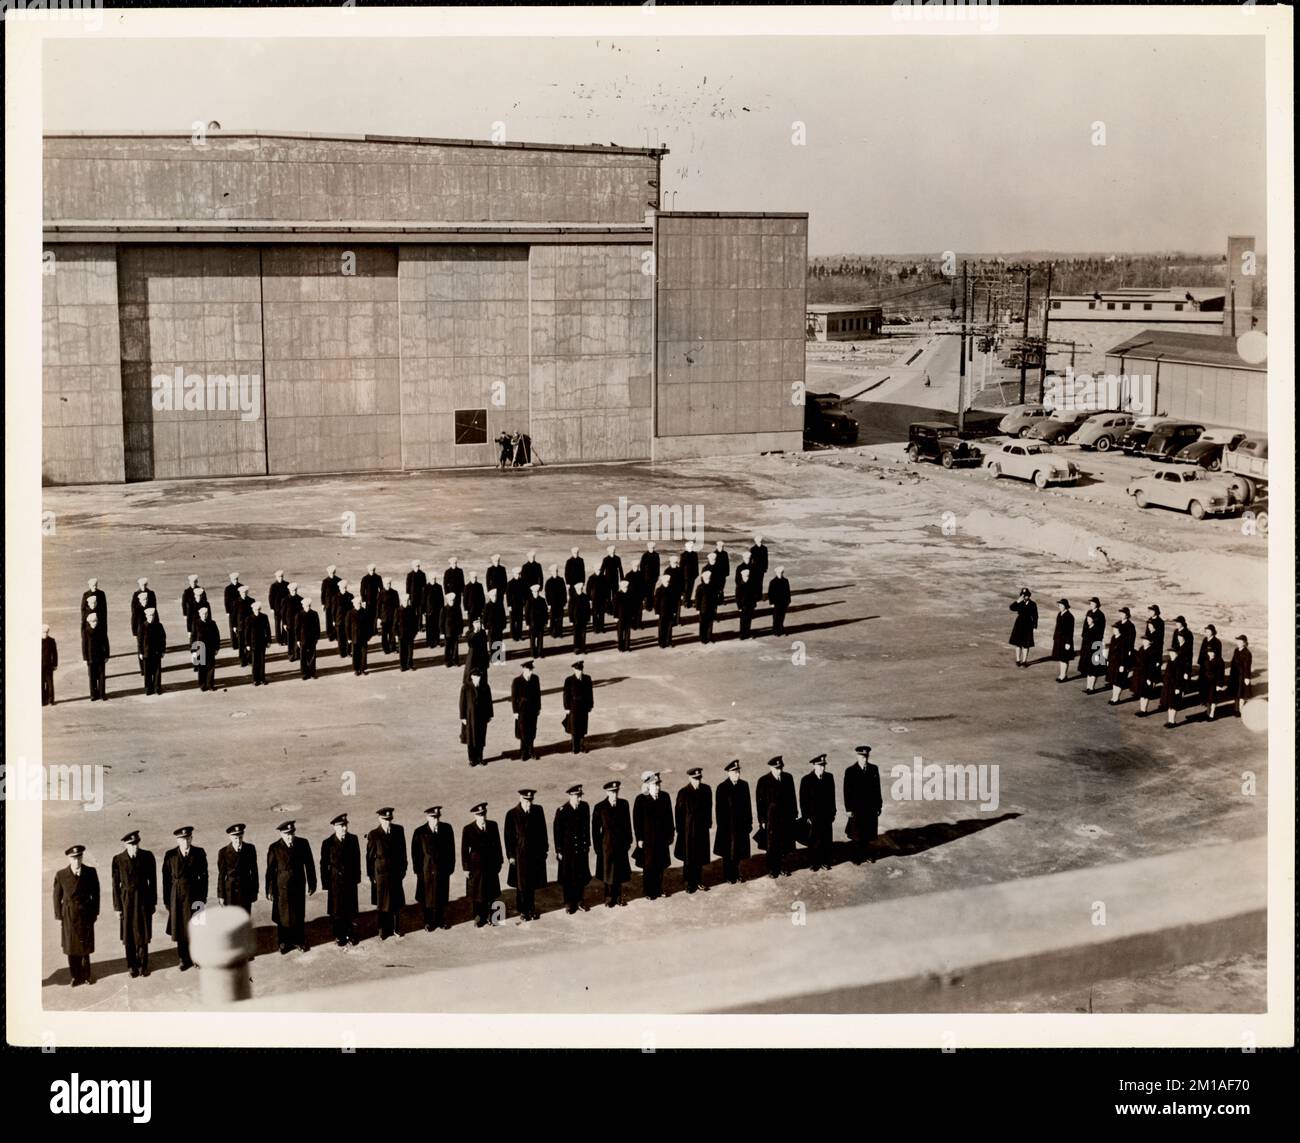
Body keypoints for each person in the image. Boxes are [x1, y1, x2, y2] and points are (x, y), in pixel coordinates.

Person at [265, 820, 316, 954]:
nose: (290, 836)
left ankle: (299, 940)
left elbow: (309, 865)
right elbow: (270, 871)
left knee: (299, 914)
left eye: (292, 833)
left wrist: (312, 883)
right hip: (282, 888)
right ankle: (283, 942)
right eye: (286, 834)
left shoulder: (303, 843)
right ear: (281, 834)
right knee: (283, 916)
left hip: (298, 885)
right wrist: (269, 890)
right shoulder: (274, 848)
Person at [162, 826, 208, 971]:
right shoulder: (170, 855)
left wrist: (203, 897)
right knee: (180, 930)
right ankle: (183, 959)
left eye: (188, 838)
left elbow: (205, 876)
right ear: (177, 840)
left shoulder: (199, 853)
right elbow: (166, 880)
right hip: (177, 898)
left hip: (195, 897)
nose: (186, 841)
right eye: (182, 839)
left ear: (191, 838)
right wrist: (167, 901)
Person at [111, 830, 156, 978]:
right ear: (125, 844)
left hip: (143, 901)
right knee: (128, 935)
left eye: (136, 843)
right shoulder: (118, 859)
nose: (134, 847)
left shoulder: (147, 856)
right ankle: (131, 965)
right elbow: (115, 886)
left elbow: (153, 881)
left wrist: (153, 902)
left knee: (143, 934)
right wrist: (117, 908)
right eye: (131, 844)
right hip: (127, 902)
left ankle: (143, 965)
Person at [54, 845, 99, 987]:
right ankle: (75, 976)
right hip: (69, 915)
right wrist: (59, 916)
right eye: (74, 858)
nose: (77, 860)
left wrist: (95, 912)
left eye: (79, 857)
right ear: (69, 858)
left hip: (86, 914)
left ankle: (86, 975)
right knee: (71, 948)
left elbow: (96, 894)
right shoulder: (61, 875)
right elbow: (56, 896)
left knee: (85, 947)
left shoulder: (90, 872)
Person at [505, 788, 549, 922]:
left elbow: (543, 831)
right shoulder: (512, 814)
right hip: (520, 855)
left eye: (530, 800)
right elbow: (508, 837)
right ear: (520, 799)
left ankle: (531, 908)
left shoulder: (538, 810)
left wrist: (544, 849)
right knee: (522, 884)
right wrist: (511, 855)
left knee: (532, 882)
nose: (528, 803)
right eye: (526, 800)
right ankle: (523, 910)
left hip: (535, 854)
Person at [320, 813, 361, 946]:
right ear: (334, 827)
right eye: (341, 826)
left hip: (350, 882)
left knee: (350, 909)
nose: (344, 828)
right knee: (337, 911)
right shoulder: (328, 843)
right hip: (335, 883)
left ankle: (351, 933)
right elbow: (323, 864)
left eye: (345, 825)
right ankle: (339, 935)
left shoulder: (353, 839)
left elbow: (357, 860)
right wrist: (326, 883)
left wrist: (357, 878)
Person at [411, 807, 455, 931]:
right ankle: (428, 922)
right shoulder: (419, 832)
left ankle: (441, 920)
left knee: (441, 895)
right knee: (427, 898)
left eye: (437, 817)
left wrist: (450, 867)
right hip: (427, 870)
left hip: (442, 870)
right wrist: (418, 871)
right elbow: (416, 854)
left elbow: (451, 850)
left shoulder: (447, 829)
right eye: (433, 817)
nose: (435, 820)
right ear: (427, 817)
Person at [366, 808, 407, 940]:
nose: (387, 823)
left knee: (395, 902)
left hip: (395, 873)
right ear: (379, 819)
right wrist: (371, 876)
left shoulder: (399, 830)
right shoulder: (374, 834)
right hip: (381, 875)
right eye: (385, 820)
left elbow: (403, 852)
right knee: (382, 903)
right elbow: (370, 857)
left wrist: (403, 869)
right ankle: (383, 929)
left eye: (389, 820)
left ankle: (396, 927)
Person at [633, 771, 675, 900]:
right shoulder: (641, 800)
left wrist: (671, 834)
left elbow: (669, 817)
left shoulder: (665, 797)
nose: (657, 787)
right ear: (647, 786)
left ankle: (659, 889)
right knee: (649, 866)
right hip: (648, 840)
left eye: (658, 784)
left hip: (662, 839)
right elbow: (637, 821)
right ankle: (649, 891)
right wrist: (639, 838)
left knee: (660, 864)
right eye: (654, 785)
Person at [462, 802, 504, 927]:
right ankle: (479, 918)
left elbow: (498, 844)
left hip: (491, 866)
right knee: (478, 895)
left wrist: (500, 861)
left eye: (484, 813)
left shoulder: (493, 825)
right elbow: (464, 851)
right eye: (479, 815)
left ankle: (493, 917)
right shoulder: (468, 829)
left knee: (491, 893)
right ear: (475, 816)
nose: (482, 817)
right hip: (476, 868)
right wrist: (466, 868)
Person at [755, 756, 798, 878]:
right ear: (771, 768)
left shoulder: (788, 778)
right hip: (771, 819)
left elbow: (792, 797)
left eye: (781, 768)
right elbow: (760, 803)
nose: (779, 771)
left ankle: (783, 867)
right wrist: (762, 820)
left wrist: (794, 812)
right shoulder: (763, 781)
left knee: (785, 844)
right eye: (777, 768)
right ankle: (773, 869)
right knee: (772, 845)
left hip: (786, 818)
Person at [592, 780, 632, 907]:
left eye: (616, 792)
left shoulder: (624, 804)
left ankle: (619, 897)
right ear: (607, 792)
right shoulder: (600, 807)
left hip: (620, 844)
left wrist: (629, 840)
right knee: (608, 872)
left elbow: (627, 824)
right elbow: (595, 830)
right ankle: (609, 898)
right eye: (612, 792)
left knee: (619, 871)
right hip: (607, 844)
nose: (614, 795)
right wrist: (598, 847)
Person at [674, 767, 713, 893]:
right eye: (695, 779)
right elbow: (678, 813)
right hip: (688, 832)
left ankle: (699, 880)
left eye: (699, 778)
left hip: (701, 830)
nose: (698, 781)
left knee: (700, 856)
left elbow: (709, 808)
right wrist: (680, 831)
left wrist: (708, 823)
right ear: (690, 778)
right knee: (689, 858)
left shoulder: (706, 790)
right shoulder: (683, 793)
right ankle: (690, 883)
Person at [553, 785, 592, 914]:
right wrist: (559, 850)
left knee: (580, 876)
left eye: (580, 796)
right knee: (568, 877)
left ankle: (580, 900)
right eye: (577, 796)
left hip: (581, 848)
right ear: (570, 796)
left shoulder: (584, 807)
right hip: (568, 851)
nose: (579, 799)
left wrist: (587, 845)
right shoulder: (562, 811)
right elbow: (557, 832)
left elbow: (587, 827)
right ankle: (569, 903)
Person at [713, 760, 753, 884]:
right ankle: (729, 875)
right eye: (734, 772)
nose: (737, 774)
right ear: (728, 773)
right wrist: (721, 827)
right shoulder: (722, 787)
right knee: (728, 853)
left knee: (738, 852)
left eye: (738, 772)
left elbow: (748, 806)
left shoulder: (744, 785)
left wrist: (749, 822)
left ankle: (737, 873)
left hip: (741, 826)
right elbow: (719, 810)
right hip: (728, 828)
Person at [844, 745, 884, 863]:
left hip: (870, 808)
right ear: (857, 756)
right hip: (856, 808)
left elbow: (877, 788)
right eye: (862, 756)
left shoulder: (873, 769)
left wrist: (879, 805)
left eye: (866, 756)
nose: (864, 759)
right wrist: (848, 809)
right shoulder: (850, 771)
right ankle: (857, 856)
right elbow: (847, 791)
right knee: (856, 834)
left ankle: (866, 854)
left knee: (867, 833)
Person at [799, 754, 837, 870]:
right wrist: (806, 816)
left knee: (826, 839)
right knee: (814, 840)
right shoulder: (806, 780)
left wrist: (833, 812)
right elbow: (803, 800)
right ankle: (814, 863)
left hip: (826, 815)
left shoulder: (829, 777)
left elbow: (832, 797)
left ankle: (825, 861)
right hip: (813, 817)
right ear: (814, 765)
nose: (822, 768)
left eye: (824, 765)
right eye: (820, 766)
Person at [217, 824, 259, 913]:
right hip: (230, 892)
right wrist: (221, 895)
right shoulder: (223, 852)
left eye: (240, 837)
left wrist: (255, 891)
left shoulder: (250, 849)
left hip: (245, 890)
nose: (238, 840)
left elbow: (254, 872)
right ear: (230, 837)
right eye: (235, 838)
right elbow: (221, 875)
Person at [460, 670, 494, 766]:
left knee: (481, 737)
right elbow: (462, 703)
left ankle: (480, 757)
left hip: (482, 716)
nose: (477, 678)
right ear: (471, 677)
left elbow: (489, 702)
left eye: (479, 676)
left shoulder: (485, 687)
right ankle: (472, 758)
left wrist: (490, 714)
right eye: (475, 676)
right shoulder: (466, 687)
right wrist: (463, 717)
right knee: (471, 738)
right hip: (470, 717)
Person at [511, 660, 542, 761]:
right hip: (522, 710)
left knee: (532, 730)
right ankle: (524, 751)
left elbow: (538, 694)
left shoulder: (535, 679)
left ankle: (531, 750)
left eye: (531, 670)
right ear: (524, 669)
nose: (530, 672)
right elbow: (514, 698)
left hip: (533, 709)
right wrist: (515, 711)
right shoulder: (517, 681)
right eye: (529, 670)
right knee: (523, 731)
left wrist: (538, 708)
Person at [562, 660, 594, 754]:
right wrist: (566, 708)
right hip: (573, 706)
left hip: (584, 706)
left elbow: (590, 693)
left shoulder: (587, 678)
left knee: (583, 726)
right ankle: (575, 747)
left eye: (581, 670)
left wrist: (591, 705)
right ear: (574, 669)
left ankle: (581, 745)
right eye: (578, 670)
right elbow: (566, 695)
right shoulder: (569, 680)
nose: (580, 671)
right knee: (574, 727)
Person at [1079, 597, 1107, 693]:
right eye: (1090, 602)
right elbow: (1085, 626)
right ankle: (1088, 687)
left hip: (1096, 643)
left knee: (1094, 666)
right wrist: (1084, 636)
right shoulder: (1089, 612)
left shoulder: (1101, 615)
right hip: (1087, 642)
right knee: (1088, 665)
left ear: (1097, 604)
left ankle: (1092, 687)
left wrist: (1091, 630)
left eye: (1092, 603)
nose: (1091, 604)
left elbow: (1100, 631)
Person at [82, 611, 110, 701]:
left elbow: (106, 642)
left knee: (102, 676)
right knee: (92, 677)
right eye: (93, 621)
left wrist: (107, 655)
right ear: (89, 622)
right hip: (91, 657)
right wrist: (85, 658)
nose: (95, 623)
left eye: (96, 621)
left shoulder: (101, 629)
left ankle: (102, 694)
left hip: (101, 656)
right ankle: (93, 694)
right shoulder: (86, 631)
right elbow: (84, 645)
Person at [1198, 624, 1225, 719]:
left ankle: (1211, 712)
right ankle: (1205, 704)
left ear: (1213, 631)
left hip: (1213, 667)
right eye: (1206, 631)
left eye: (1209, 631)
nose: (1207, 633)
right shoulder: (1205, 640)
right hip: (1204, 666)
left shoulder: (1217, 642)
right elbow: (1201, 652)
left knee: (1212, 693)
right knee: (1204, 687)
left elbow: (1219, 657)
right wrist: (1200, 663)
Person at [138, 607, 167, 695]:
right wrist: (140, 652)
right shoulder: (142, 626)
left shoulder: (159, 626)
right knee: (147, 672)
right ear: (146, 616)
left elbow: (163, 639)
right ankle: (148, 688)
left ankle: (157, 687)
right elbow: (139, 641)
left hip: (156, 652)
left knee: (157, 671)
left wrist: (163, 651)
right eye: (149, 615)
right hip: (147, 653)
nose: (151, 617)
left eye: (152, 615)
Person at [1130, 635, 1160, 716]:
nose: (1143, 641)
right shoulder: (1141, 648)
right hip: (1139, 674)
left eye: (1145, 640)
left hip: (1147, 675)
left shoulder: (1153, 651)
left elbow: (1153, 667)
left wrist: (1150, 678)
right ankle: (1142, 709)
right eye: (1143, 640)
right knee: (1141, 692)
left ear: (1150, 642)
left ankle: (1144, 710)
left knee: (1145, 693)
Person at [1008, 587, 1037, 667]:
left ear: (1029, 596)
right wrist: (1017, 601)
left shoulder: (1033, 604)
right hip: (1019, 624)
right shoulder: (1019, 603)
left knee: (1026, 644)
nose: (1025, 597)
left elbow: (1035, 615)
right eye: (1023, 595)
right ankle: (1018, 659)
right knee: (1018, 643)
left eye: (1026, 595)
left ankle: (1024, 661)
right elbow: (1011, 608)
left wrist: (1035, 625)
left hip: (1028, 625)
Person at [1105, 619, 1131, 705]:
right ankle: (1113, 697)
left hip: (1119, 663)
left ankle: (1117, 698)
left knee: (1118, 681)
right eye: (1113, 629)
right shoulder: (1113, 637)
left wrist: (1123, 665)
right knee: (1113, 680)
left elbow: (1124, 653)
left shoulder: (1123, 639)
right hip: (1113, 662)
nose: (1114, 630)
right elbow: (1110, 650)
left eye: (1115, 629)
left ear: (1119, 630)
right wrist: (1108, 660)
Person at [246, 600, 272, 686]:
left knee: (262, 661)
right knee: (255, 662)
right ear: (253, 609)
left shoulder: (264, 617)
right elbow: (247, 633)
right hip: (253, 643)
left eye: (258, 609)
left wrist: (269, 641)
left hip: (262, 642)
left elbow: (268, 630)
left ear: (260, 609)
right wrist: (247, 644)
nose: (257, 611)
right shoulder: (249, 619)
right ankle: (255, 679)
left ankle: (262, 679)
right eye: (255, 609)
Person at [1227, 635, 1253, 717]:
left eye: (1240, 641)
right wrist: (1231, 673)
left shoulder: (1247, 653)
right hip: (1235, 675)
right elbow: (1233, 662)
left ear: (1245, 643)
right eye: (1237, 641)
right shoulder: (1236, 650)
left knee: (1241, 694)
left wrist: (1247, 677)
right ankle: (1236, 709)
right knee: (1236, 693)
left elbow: (1247, 667)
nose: (1238, 643)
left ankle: (1241, 711)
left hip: (1242, 676)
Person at [296, 597, 320, 680]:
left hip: (312, 638)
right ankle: (305, 673)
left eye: (309, 605)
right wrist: (298, 640)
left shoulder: (314, 614)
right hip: (303, 639)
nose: (308, 607)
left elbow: (317, 626)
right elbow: (297, 629)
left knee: (312, 656)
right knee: (303, 656)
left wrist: (317, 637)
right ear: (303, 606)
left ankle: (312, 672)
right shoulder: (299, 615)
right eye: (306, 606)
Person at [347, 598, 372, 676]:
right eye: (357, 603)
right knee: (356, 654)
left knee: (363, 654)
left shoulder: (365, 612)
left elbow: (369, 625)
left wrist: (369, 636)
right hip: (354, 637)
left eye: (360, 603)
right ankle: (356, 669)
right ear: (354, 604)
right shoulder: (350, 613)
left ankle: (363, 668)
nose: (359, 604)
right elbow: (347, 626)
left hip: (364, 637)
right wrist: (348, 638)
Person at [1052, 598, 1074, 683]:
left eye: (1061, 605)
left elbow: (1070, 630)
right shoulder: (1059, 614)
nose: (1059, 606)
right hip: (1059, 639)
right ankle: (1062, 675)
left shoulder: (1069, 616)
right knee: (1061, 658)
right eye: (1059, 605)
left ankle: (1064, 676)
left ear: (1066, 606)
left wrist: (1068, 642)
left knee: (1065, 658)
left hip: (1065, 641)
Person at [463, 617, 490, 684]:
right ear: (473, 624)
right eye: (476, 623)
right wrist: (475, 632)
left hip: (482, 656)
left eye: (479, 623)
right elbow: (469, 641)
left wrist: (487, 660)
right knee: (471, 672)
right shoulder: (470, 632)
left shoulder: (483, 632)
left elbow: (485, 646)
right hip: (473, 657)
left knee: (483, 674)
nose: (478, 625)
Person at [397, 592, 420, 671]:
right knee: (402, 650)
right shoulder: (398, 610)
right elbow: (395, 623)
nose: (406, 602)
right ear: (401, 601)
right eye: (404, 601)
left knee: (410, 650)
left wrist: (415, 632)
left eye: (407, 600)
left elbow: (415, 621)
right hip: (401, 634)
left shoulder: (411, 609)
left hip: (410, 634)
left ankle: (410, 664)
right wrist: (396, 634)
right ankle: (402, 665)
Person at [281, 581, 303, 662]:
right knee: (290, 640)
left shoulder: (301, 599)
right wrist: (284, 623)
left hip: (298, 623)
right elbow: (282, 613)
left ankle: (297, 654)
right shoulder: (285, 600)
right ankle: (291, 654)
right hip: (289, 623)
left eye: (295, 590)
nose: (294, 591)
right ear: (289, 590)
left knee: (298, 638)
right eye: (292, 590)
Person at [1160, 651, 1182, 729]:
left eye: (1172, 653)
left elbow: (1179, 677)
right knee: (1170, 704)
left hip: (1175, 686)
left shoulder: (1179, 663)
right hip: (1168, 686)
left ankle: (1172, 721)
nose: (1171, 654)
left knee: (1173, 704)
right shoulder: (1170, 662)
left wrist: (1178, 688)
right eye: (1170, 653)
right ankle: (1170, 720)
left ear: (1176, 654)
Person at [440, 592, 463, 667]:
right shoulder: (444, 609)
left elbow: (460, 620)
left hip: (455, 631)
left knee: (455, 647)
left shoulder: (457, 608)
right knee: (448, 647)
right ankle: (447, 661)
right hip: (448, 632)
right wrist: (442, 633)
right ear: (447, 601)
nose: (452, 602)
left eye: (453, 600)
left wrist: (460, 631)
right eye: (450, 601)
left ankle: (455, 660)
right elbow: (441, 622)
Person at [333, 578, 354, 659]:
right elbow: (333, 610)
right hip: (339, 620)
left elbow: (352, 609)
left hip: (348, 620)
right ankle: (342, 653)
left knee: (348, 636)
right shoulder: (335, 597)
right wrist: (333, 620)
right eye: (343, 588)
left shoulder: (350, 596)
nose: (344, 589)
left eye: (345, 587)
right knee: (340, 637)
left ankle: (348, 652)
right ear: (339, 588)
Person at [379, 577, 401, 655]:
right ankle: (385, 649)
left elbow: (397, 606)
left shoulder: (395, 592)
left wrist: (398, 616)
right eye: (386, 584)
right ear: (384, 584)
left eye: (389, 583)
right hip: (384, 617)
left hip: (393, 616)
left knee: (392, 633)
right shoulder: (381, 593)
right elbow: (378, 606)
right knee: (384, 634)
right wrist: (378, 617)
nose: (388, 585)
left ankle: (393, 648)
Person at [767, 567, 791, 637]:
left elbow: (788, 592)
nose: (780, 574)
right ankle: (776, 631)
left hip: (784, 603)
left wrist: (788, 601)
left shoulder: (785, 581)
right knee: (776, 617)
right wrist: (771, 603)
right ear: (776, 573)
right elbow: (770, 593)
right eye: (779, 573)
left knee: (782, 617)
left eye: (781, 573)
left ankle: (780, 629)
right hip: (776, 603)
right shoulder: (773, 582)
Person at [544, 565, 567, 639]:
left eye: (556, 571)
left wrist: (564, 601)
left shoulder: (561, 580)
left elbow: (564, 591)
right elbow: (547, 594)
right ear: (551, 572)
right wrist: (548, 603)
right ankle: (553, 632)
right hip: (553, 603)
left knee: (560, 618)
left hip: (560, 603)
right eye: (554, 571)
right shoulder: (549, 582)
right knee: (553, 618)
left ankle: (560, 632)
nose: (555, 572)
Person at [526, 583, 548, 659]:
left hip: (540, 623)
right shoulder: (529, 601)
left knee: (540, 639)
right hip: (532, 624)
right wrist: (527, 623)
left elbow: (545, 612)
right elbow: (527, 614)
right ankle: (533, 653)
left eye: (537, 592)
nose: (536, 593)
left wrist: (546, 622)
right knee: (532, 639)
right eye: (535, 592)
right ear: (532, 592)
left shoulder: (542, 600)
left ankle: (540, 652)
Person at [695, 570, 717, 644]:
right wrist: (697, 608)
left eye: (709, 578)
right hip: (703, 609)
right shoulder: (700, 587)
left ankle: (709, 637)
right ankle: (703, 638)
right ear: (703, 578)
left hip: (711, 608)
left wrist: (715, 607)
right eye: (706, 578)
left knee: (710, 623)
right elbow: (697, 599)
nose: (708, 579)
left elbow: (714, 598)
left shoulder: (713, 586)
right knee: (703, 624)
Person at [569, 581, 591, 654]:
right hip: (576, 619)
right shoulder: (572, 597)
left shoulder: (585, 597)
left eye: (581, 589)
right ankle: (576, 648)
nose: (580, 590)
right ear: (576, 589)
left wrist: (588, 618)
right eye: (579, 589)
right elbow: (570, 610)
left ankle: (583, 647)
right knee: (576, 634)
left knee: (583, 634)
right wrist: (571, 620)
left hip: (583, 619)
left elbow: (588, 609)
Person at [506, 567, 527, 642]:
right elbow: (508, 596)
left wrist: (524, 603)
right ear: (514, 574)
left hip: (520, 604)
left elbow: (525, 593)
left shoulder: (522, 582)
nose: (518, 575)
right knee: (513, 621)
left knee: (520, 620)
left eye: (519, 574)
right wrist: (509, 605)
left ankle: (519, 635)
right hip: (513, 605)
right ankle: (514, 635)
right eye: (517, 574)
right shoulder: (510, 583)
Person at [423, 576, 445, 650]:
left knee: (437, 627)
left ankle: (437, 642)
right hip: (429, 611)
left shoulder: (439, 587)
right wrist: (423, 611)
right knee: (429, 628)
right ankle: (430, 643)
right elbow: (423, 600)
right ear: (430, 579)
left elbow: (441, 599)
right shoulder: (426, 587)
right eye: (432, 579)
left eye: (435, 579)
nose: (434, 580)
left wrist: (442, 609)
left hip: (438, 610)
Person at [736, 567, 758, 639]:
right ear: (742, 577)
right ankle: (742, 634)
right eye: (745, 576)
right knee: (743, 621)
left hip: (750, 605)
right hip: (743, 606)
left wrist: (754, 604)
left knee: (749, 620)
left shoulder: (752, 584)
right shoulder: (739, 585)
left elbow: (754, 595)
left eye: (747, 576)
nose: (746, 578)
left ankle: (747, 633)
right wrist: (739, 607)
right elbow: (738, 597)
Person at [614, 579, 635, 652]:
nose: (625, 588)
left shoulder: (630, 594)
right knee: (620, 632)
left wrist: (632, 615)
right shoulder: (617, 594)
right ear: (621, 587)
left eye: (626, 587)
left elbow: (632, 606)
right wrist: (615, 616)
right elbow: (615, 607)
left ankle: (627, 646)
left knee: (627, 632)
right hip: (620, 617)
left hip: (628, 616)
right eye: (624, 587)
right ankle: (620, 647)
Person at [268, 571, 289, 644]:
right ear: (276, 577)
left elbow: (289, 596)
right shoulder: (273, 586)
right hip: (276, 608)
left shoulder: (287, 584)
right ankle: (279, 640)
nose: (281, 578)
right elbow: (270, 597)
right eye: (279, 576)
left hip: (285, 608)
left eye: (282, 576)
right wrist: (271, 608)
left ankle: (285, 639)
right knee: (277, 624)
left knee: (285, 623)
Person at [587, 570, 608, 635]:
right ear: (595, 570)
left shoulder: (604, 577)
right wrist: (589, 598)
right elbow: (588, 589)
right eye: (597, 569)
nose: (599, 571)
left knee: (602, 614)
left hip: (602, 598)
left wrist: (607, 597)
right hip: (594, 599)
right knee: (595, 613)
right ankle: (595, 628)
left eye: (599, 569)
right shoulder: (591, 578)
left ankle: (601, 628)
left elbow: (607, 588)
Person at [42, 625, 58, 706]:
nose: (45, 633)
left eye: (46, 632)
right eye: (44, 632)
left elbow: (55, 654)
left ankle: (50, 700)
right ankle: (44, 700)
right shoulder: (51, 640)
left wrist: (55, 664)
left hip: (48, 666)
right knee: (43, 684)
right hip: (41, 666)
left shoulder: (51, 641)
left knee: (49, 684)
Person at [681, 541, 700, 607]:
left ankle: (687, 600)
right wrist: (681, 575)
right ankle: (685, 602)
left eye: (692, 546)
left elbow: (696, 565)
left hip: (693, 575)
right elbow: (681, 566)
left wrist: (697, 573)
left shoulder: (695, 554)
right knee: (686, 589)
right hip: (685, 575)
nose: (691, 548)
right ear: (687, 547)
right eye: (690, 547)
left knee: (690, 588)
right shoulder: (683, 555)